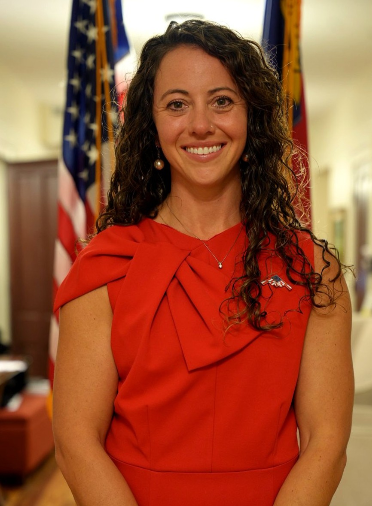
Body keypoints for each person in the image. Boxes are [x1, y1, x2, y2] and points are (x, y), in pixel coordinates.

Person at [53, 20, 354, 506]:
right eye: (177, 104)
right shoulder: (104, 266)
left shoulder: (313, 271)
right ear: (151, 126)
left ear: (251, 117)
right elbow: (75, 442)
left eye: (222, 101)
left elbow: (327, 444)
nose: (200, 125)